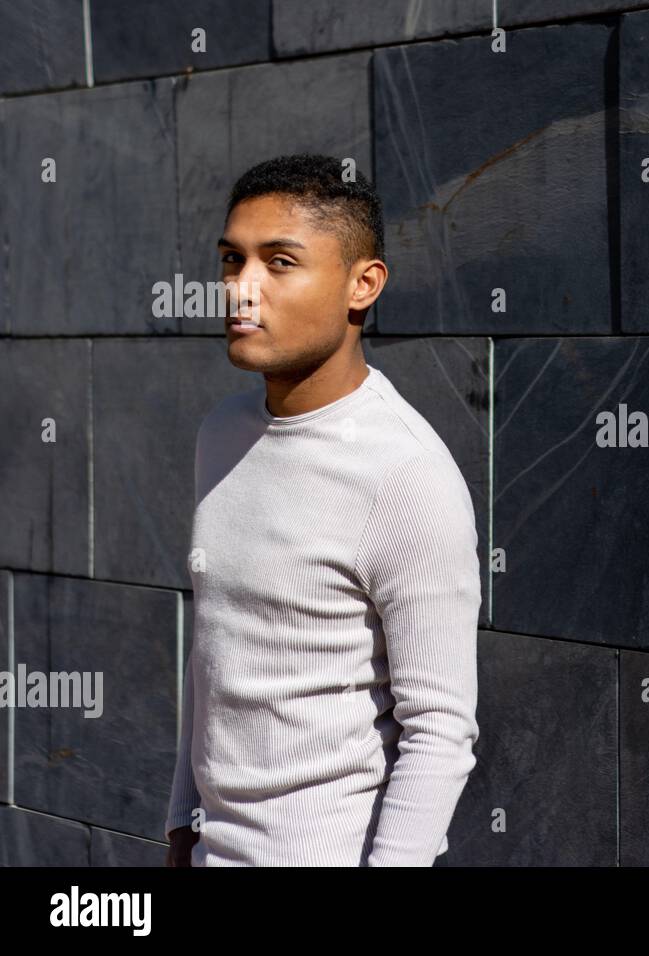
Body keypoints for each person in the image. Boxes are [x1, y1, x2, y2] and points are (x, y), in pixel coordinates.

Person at [164, 154, 481, 866]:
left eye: (280, 263)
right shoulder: (221, 434)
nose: (241, 291)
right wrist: (180, 827)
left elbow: (439, 733)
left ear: (361, 285)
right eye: (230, 260)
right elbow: (215, 656)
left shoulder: (404, 474)